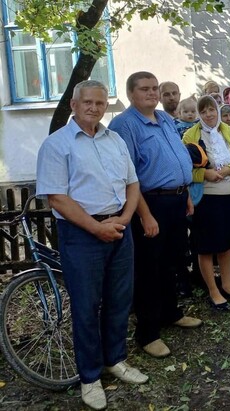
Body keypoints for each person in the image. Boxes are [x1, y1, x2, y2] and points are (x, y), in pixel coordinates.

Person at [36, 80, 147, 410]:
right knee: (86, 307)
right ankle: (89, 378)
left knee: (119, 300)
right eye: (88, 102)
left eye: (100, 103)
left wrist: (125, 220)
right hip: (82, 235)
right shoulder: (57, 145)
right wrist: (97, 228)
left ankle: (116, 360)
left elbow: (133, 183)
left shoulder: (115, 140)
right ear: (74, 104)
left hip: (119, 229)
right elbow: (57, 198)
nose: (94, 108)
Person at [109, 71, 202, 359]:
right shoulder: (124, 125)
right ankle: (148, 333)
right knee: (148, 269)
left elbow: (178, 159)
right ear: (131, 94)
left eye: (155, 88)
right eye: (145, 89)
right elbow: (129, 176)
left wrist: (185, 194)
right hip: (149, 203)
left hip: (175, 200)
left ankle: (170, 313)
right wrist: (145, 215)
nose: (152, 93)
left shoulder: (163, 119)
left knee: (173, 262)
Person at [182, 96, 230, 311]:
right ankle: (213, 290)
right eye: (204, 111)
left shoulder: (228, 131)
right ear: (199, 114)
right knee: (206, 246)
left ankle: (227, 285)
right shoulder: (190, 135)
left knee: (226, 243)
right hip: (207, 200)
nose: (209, 114)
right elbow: (184, 168)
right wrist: (205, 173)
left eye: (212, 110)